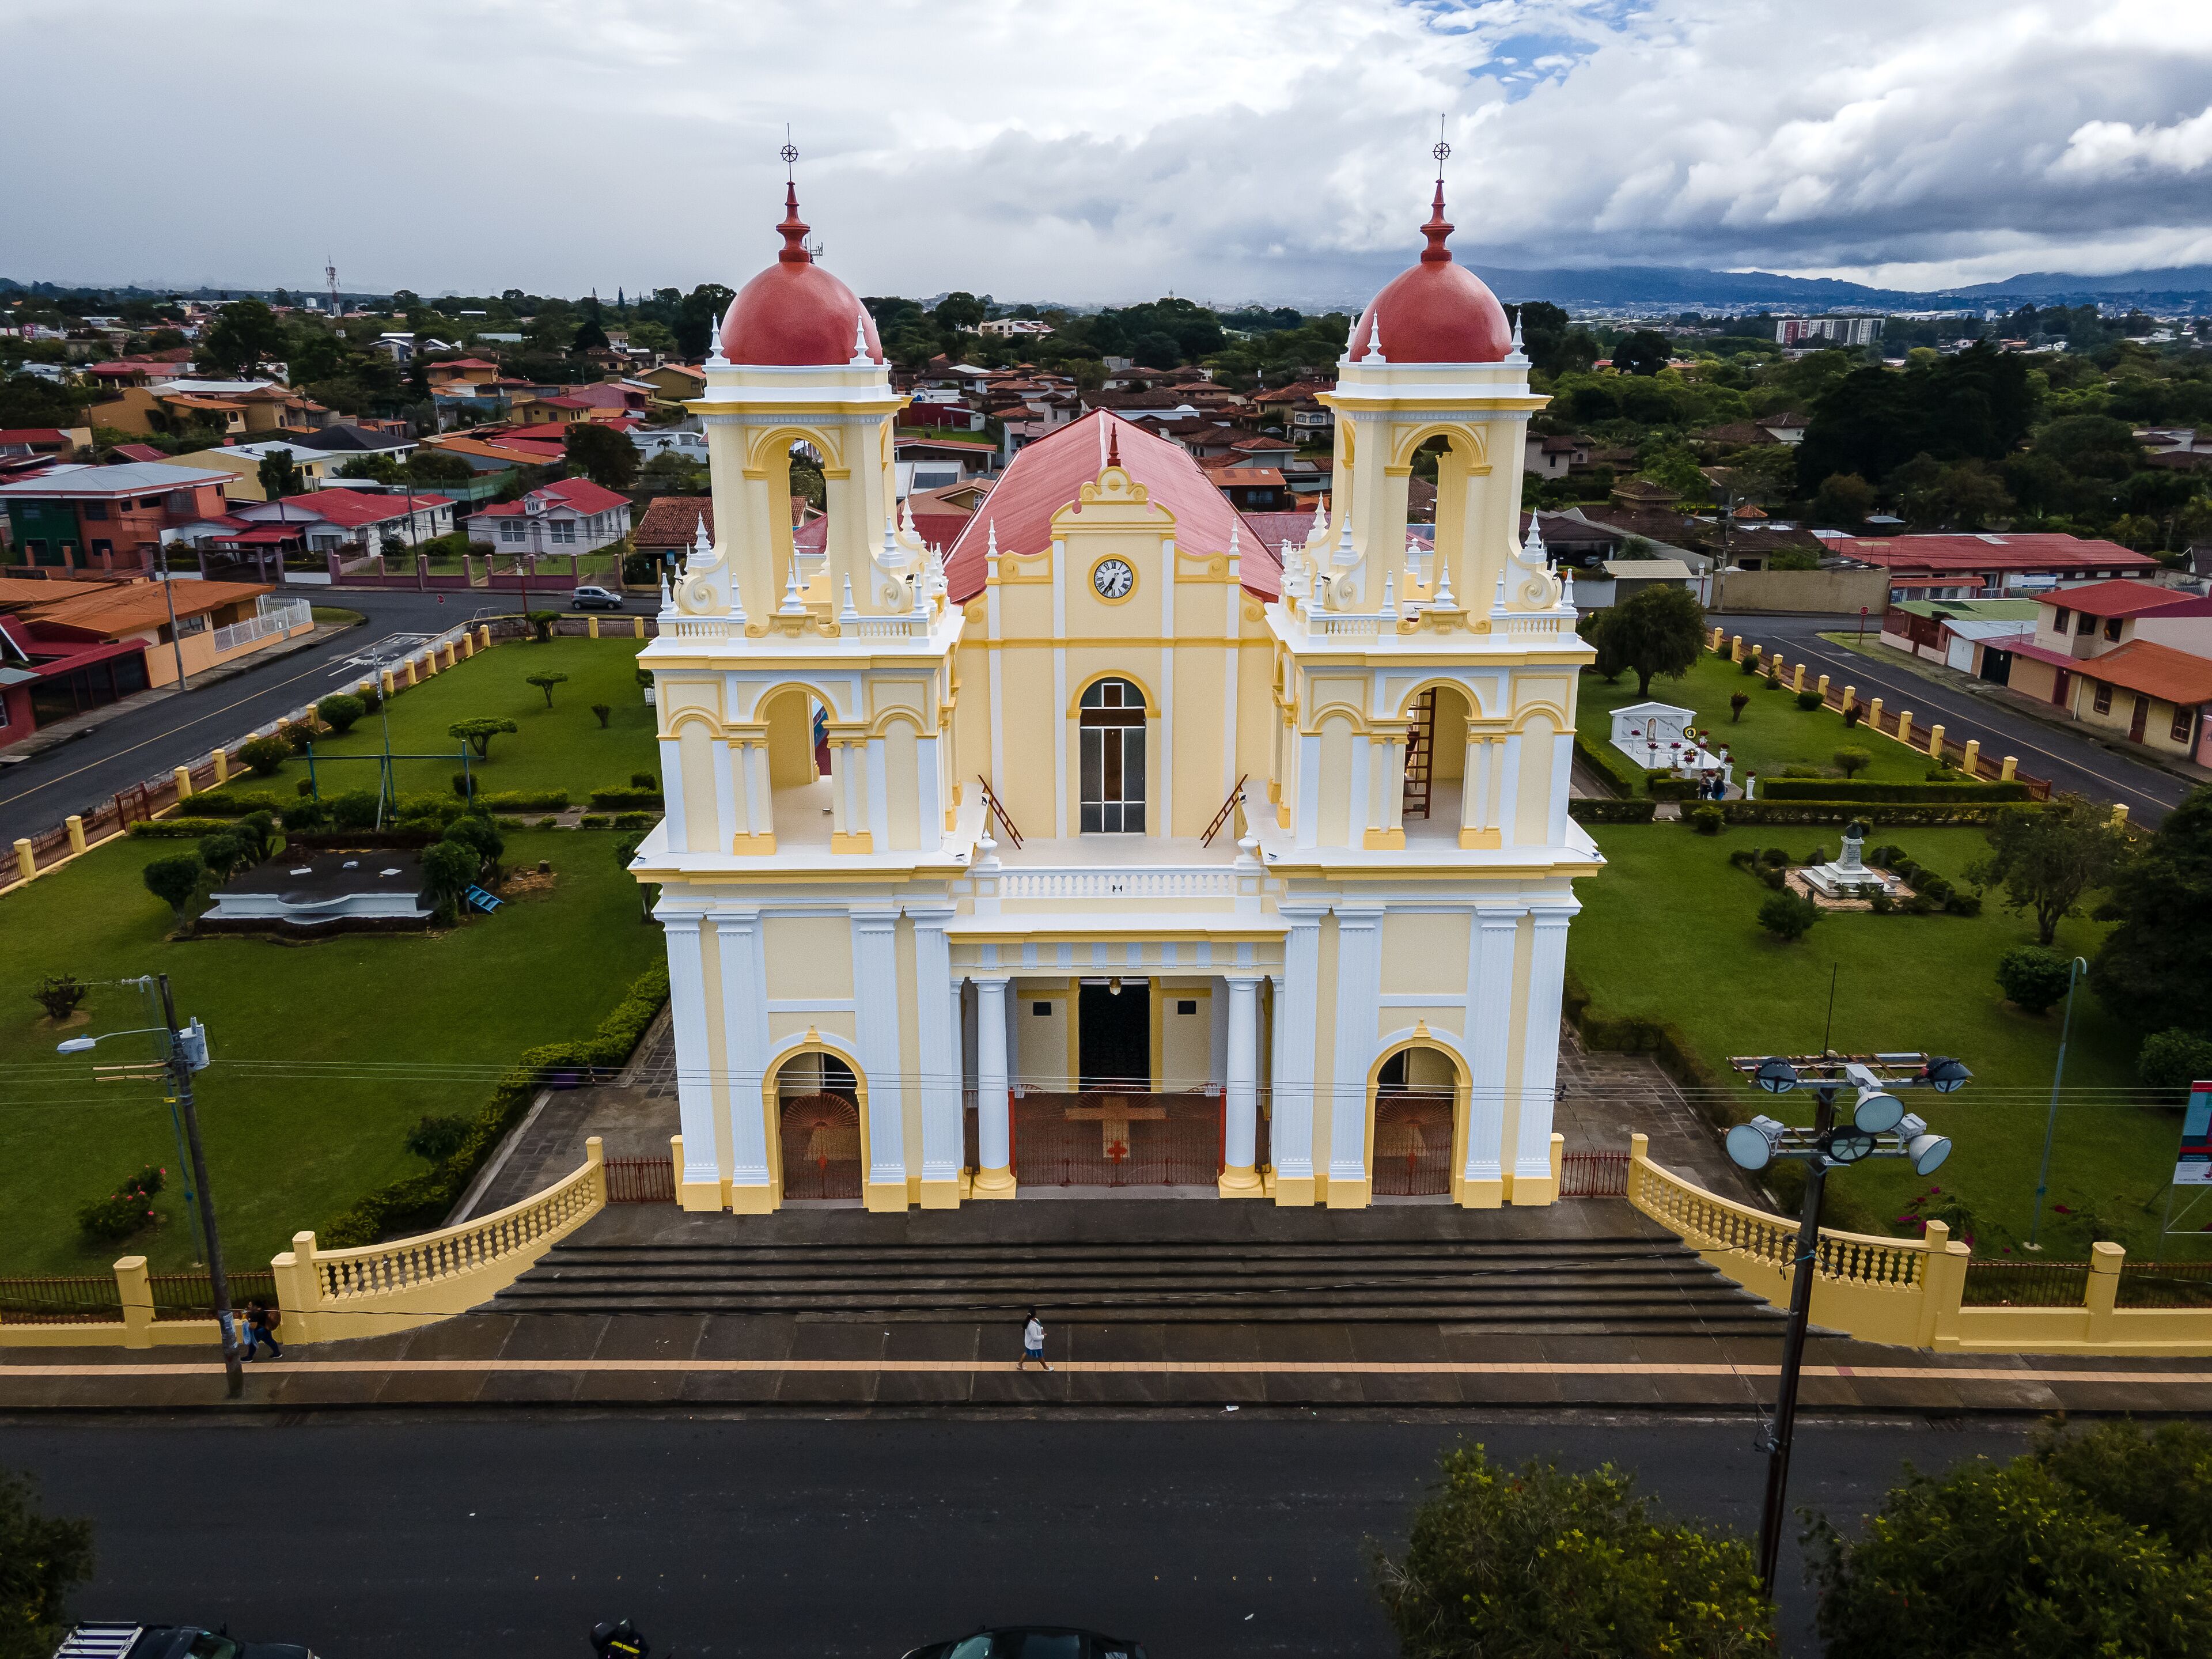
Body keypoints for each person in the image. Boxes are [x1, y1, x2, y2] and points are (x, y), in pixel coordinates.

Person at [241, 1298, 283, 1363]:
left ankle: (249, 1357)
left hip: (259, 1331)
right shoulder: (264, 1311)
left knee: (253, 1343)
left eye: (250, 1305)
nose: (248, 1306)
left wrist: (246, 1325)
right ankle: (277, 1353)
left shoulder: (255, 1314)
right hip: (266, 1328)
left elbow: (254, 1326)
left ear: (255, 1306)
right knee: (270, 1341)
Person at [1017, 1308, 1050, 1372]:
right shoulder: (1032, 1326)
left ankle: (1020, 1364)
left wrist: (1042, 1330)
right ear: (1034, 1315)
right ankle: (1046, 1367)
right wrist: (1043, 1336)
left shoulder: (1035, 1320)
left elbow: (1040, 1325)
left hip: (1031, 1344)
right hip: (1034, 1344)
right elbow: (1035, 1338)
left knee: (1027, 1352)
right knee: (1040, 1356)